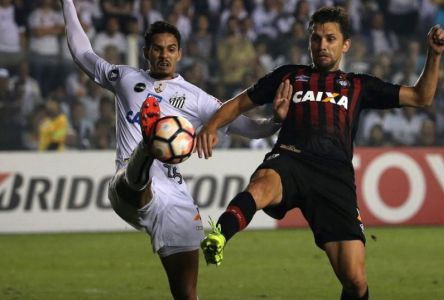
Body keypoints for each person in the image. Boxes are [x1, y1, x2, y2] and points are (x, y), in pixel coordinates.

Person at [196, 6, 444, 300]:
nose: (322, 46)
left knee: (355, 281)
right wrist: (211, 126)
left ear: (345, 44)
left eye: (330, 39)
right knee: (263, 183)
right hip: (291, 158)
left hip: (334, 176)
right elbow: (240, 103)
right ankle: (219, 235)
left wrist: (434, 55)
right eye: (316, 38)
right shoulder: (289, 76)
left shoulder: (358, 85)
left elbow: (421, 97)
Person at [59, 0, 281, 299]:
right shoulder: (126, 78)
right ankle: (150, 147)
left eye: (170, 49)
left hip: (174, 197)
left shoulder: (197, 99)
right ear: (146, 52)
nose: (164, 55)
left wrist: (277, 119)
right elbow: (82, 53)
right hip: (129, 182)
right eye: (157, 49)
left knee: (186, 294)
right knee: (142, 164)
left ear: (180, 53)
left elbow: (254, 129)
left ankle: (153, 146)